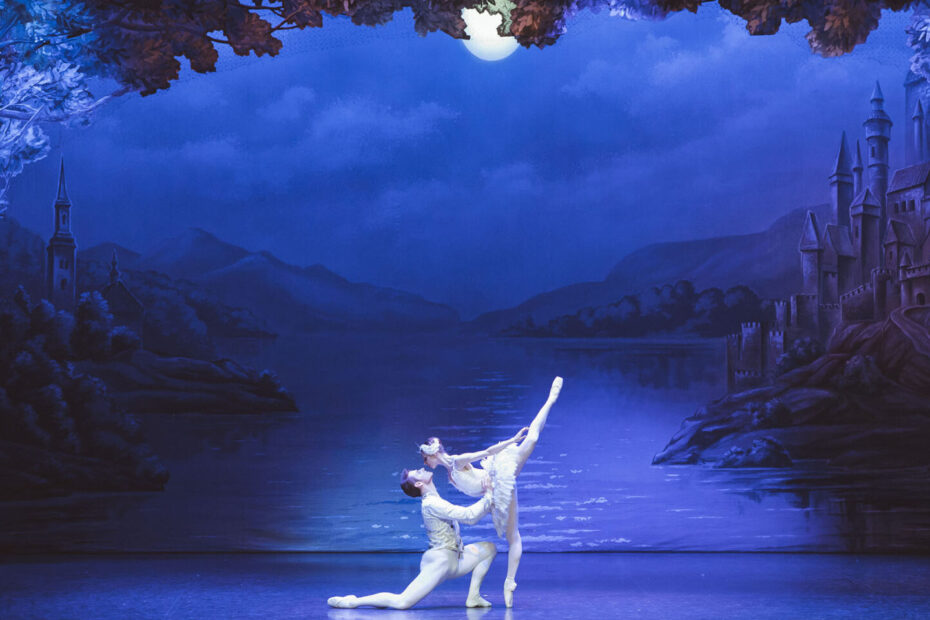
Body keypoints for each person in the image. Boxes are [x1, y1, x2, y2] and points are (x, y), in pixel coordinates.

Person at [420, 376, 563, 607]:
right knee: (513, 536)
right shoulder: (450, 476)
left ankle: (551, 399)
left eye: (425, 459)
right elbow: (475, 494)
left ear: (431, 456)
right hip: (495, 494)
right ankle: (509, 583)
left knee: (532, 438)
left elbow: (487, 451)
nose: (426, 463)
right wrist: (487, 496)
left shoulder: (456, 462)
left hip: (499, 474)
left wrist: (512, 440)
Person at [327, 468, 497, 610]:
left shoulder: (436, 500)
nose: (422, 469)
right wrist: (489, 494)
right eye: (418, 472)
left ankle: (473, 597)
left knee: (489, 548)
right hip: (441, 561)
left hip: (457, 559)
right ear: (419, 484)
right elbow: (469, 516)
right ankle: (353, 601)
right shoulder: (432, 503)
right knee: (402, 602)